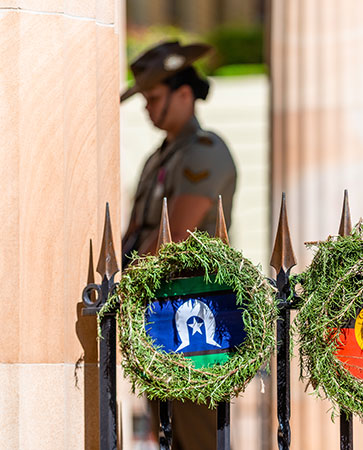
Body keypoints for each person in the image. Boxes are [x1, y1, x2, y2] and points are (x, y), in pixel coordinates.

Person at [120, 40, 237, 450]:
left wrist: (125, 281)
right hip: (158, 304)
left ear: (184, 94)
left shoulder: (206, 151)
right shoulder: (161, 156)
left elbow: (176, 233)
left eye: (154, 98)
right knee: (168, 430)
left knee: (198, 431)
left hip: (193, 305)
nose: (147, 108)